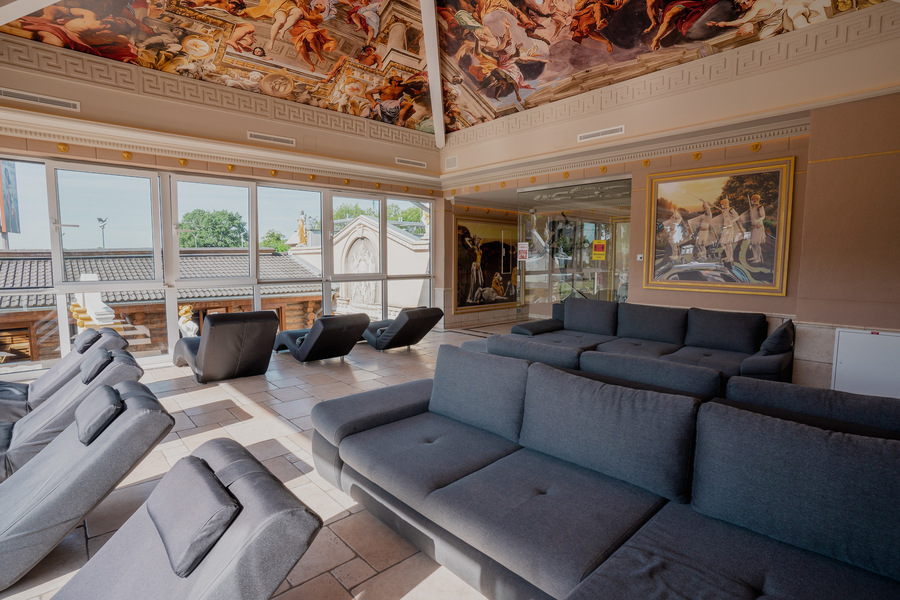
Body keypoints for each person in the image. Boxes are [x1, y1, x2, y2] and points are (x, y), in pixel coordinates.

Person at [717, 196, 744, 265]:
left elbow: (737, 216)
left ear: (725, 204)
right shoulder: (723, 210)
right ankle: (728, 256)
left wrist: (732, 221)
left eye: (722, 204)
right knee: (723, 243)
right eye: (721, 204)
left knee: (728, 244)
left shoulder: (731, 209)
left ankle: (731, 258)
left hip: (730, 228)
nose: (721, 205)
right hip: (725, 228)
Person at [747, 194, 765, 263]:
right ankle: (755, 257)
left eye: (752, 200)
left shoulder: (760, 207)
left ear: (755, 200)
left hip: (758, 227)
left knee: (757, 243)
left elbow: (763, 216)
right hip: (753, 227)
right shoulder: (751, 208)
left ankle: (758, 258)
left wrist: (757, 220)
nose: (751, 201)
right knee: (753, 243)